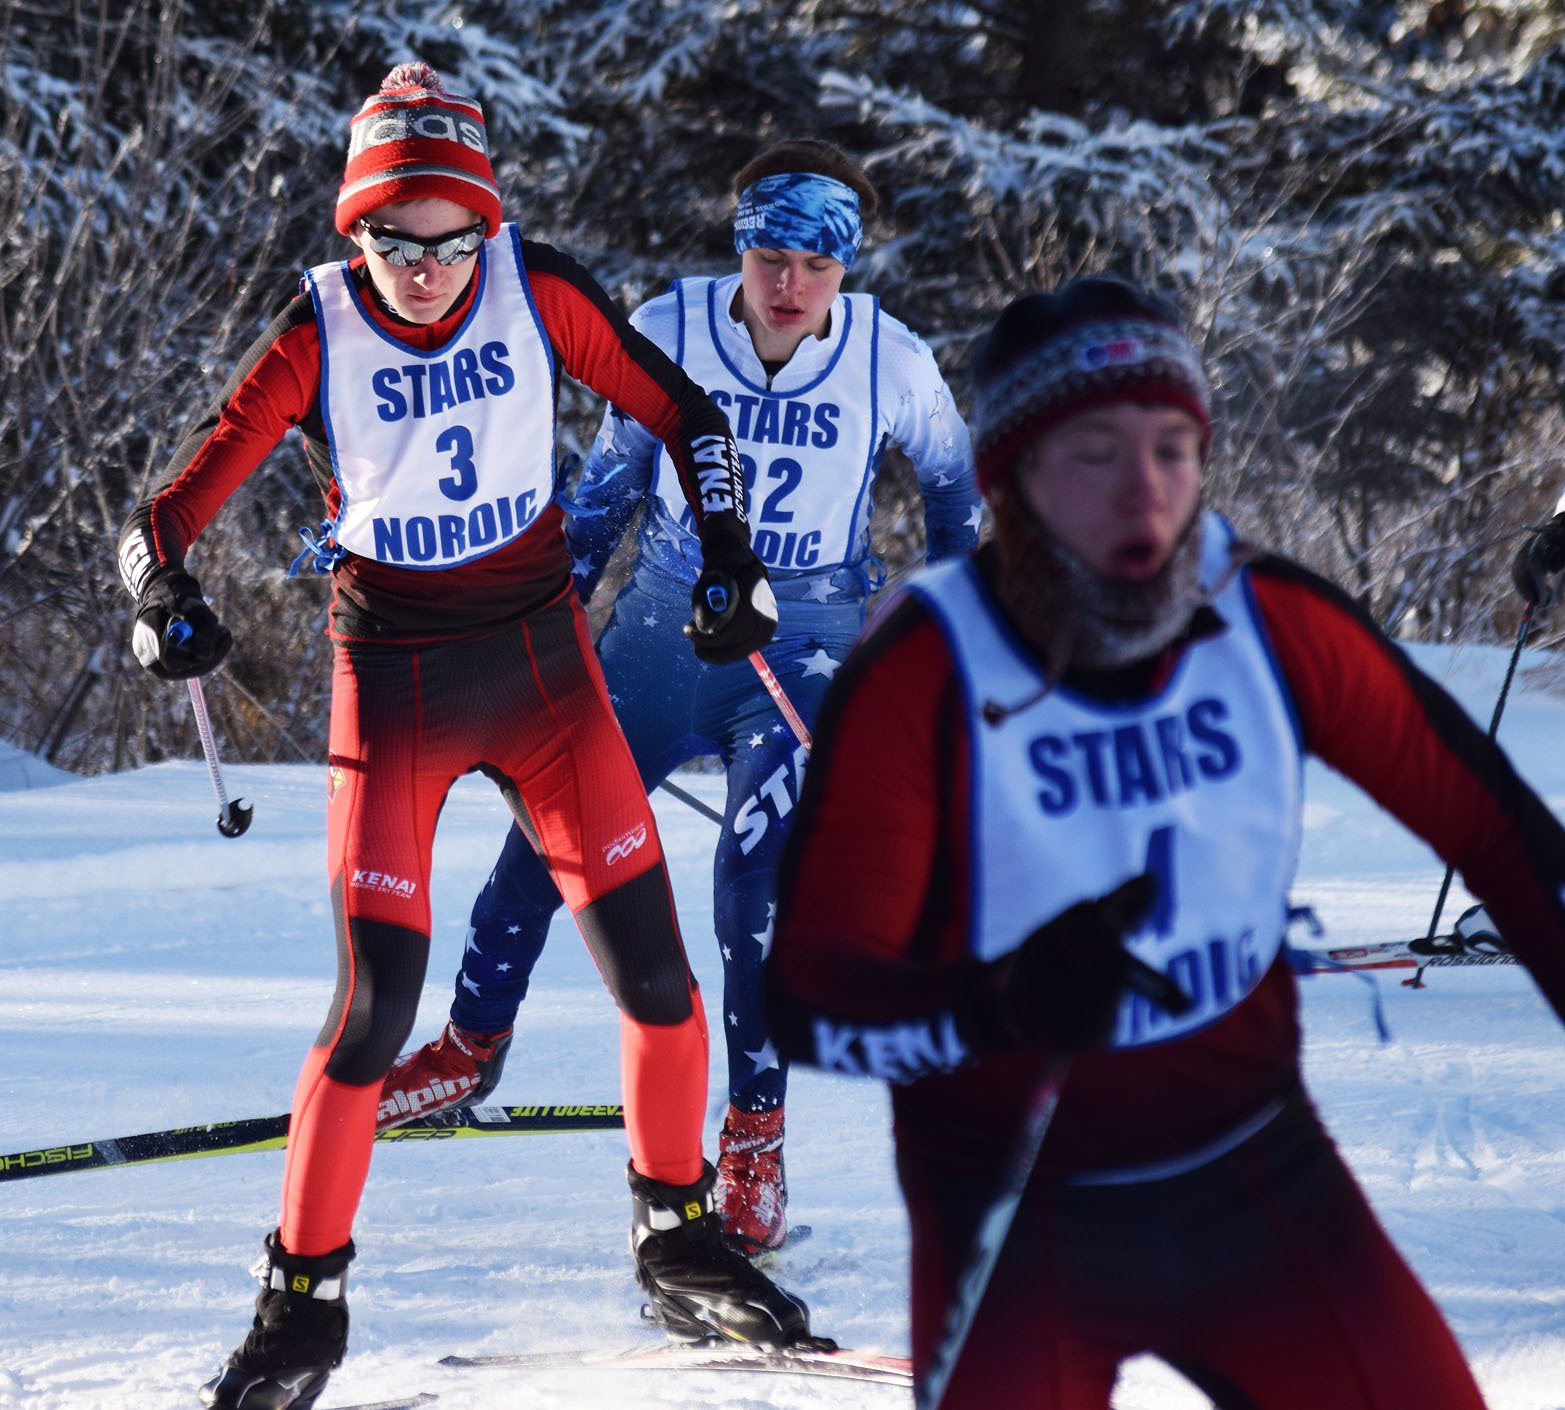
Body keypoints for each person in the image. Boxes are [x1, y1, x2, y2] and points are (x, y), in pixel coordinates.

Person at [116, 63, 817, 1410]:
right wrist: (163, 598)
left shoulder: (533, 286)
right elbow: (161, 515)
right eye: (395, 241)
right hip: (396, 686)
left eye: (451, 240)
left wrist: (730, 551)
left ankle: (676, 1238)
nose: (427, 270)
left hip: (543, 669)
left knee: (660, 986)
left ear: (486, 226)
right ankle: (297, 1309)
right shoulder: (316, 331)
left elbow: (690, 414)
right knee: (374, 1007)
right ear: (354, 231)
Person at [761, 276, 1565, 1407]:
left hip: (1257, 1178)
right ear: (1010, 480)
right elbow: (808, 993)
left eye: (1172, 448)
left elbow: (1497, 830)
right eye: (1093, 452)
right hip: (1016, 1213)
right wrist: (1001, 1004)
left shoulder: (1266, 617)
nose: (1144, 494)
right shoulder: (923, 675)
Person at [374, 138, 980, 1254]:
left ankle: (753, 1134)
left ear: (844, 263)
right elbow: (603, 490)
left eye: (814, 260)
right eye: (767, 254)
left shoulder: (890, 359)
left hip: (796, 655)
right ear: (738, 245)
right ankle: (467, 1046)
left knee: (749, 884)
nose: (788, 283)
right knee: (543, 844)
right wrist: (527, 622)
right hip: (657, 634)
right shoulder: (671, 325)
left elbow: (954, 493)